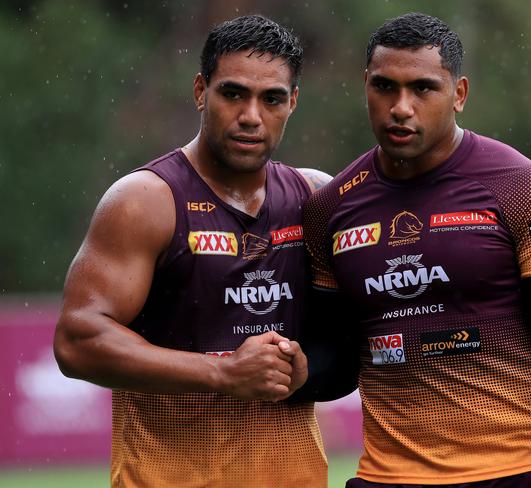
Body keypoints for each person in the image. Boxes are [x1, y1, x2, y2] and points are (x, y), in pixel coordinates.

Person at [302, 12, 531, 488]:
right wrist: (273, 370)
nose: (401, 107)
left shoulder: (528, 190)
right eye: (385, 87)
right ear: (365, 86)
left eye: (423, 88)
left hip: (517, 470)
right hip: (386, 477)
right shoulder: (329, 209)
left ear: (459, 94)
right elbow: (337, 366)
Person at [53, 15, 332, 487]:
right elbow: (77, 342)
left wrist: (311, 367)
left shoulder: (315, 198)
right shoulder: (144, 201)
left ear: (293, 103)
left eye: (271, 99)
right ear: (201, 91)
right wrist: (224, 372)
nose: (250, 116)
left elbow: (355, 335)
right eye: (233, 93)